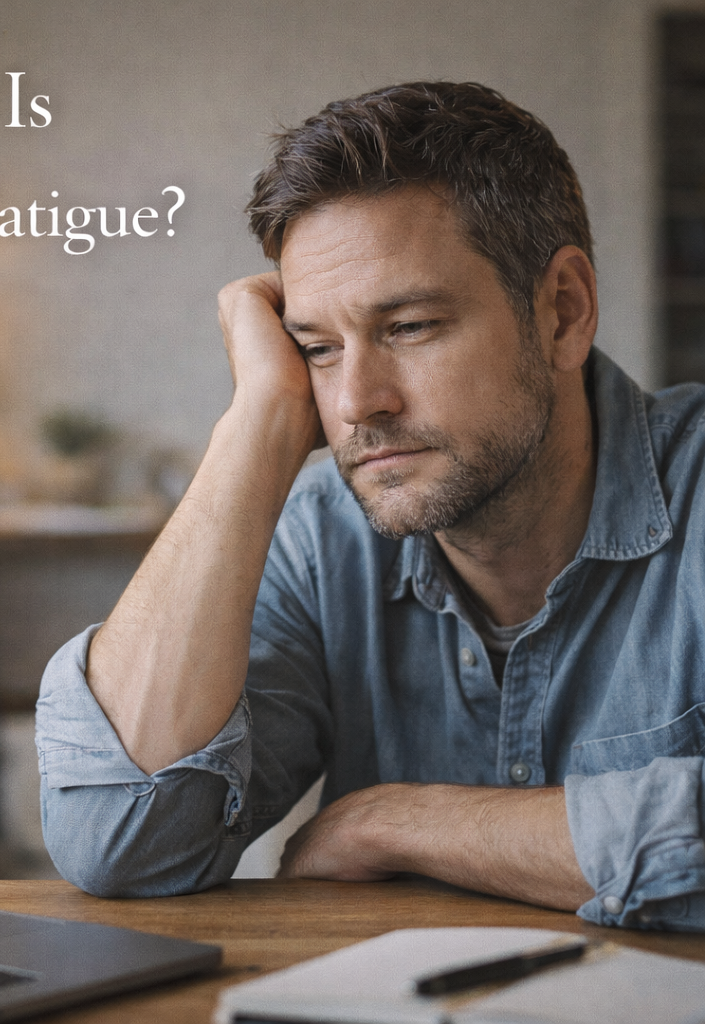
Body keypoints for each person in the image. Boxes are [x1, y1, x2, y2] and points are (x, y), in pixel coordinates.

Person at [36, 82, 705, 931]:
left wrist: (398, 823)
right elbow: (119, 841)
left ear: (563, 311)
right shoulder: (320, 537)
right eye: (317, 349)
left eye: (412, 327)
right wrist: (255, 427)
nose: (355, 402)